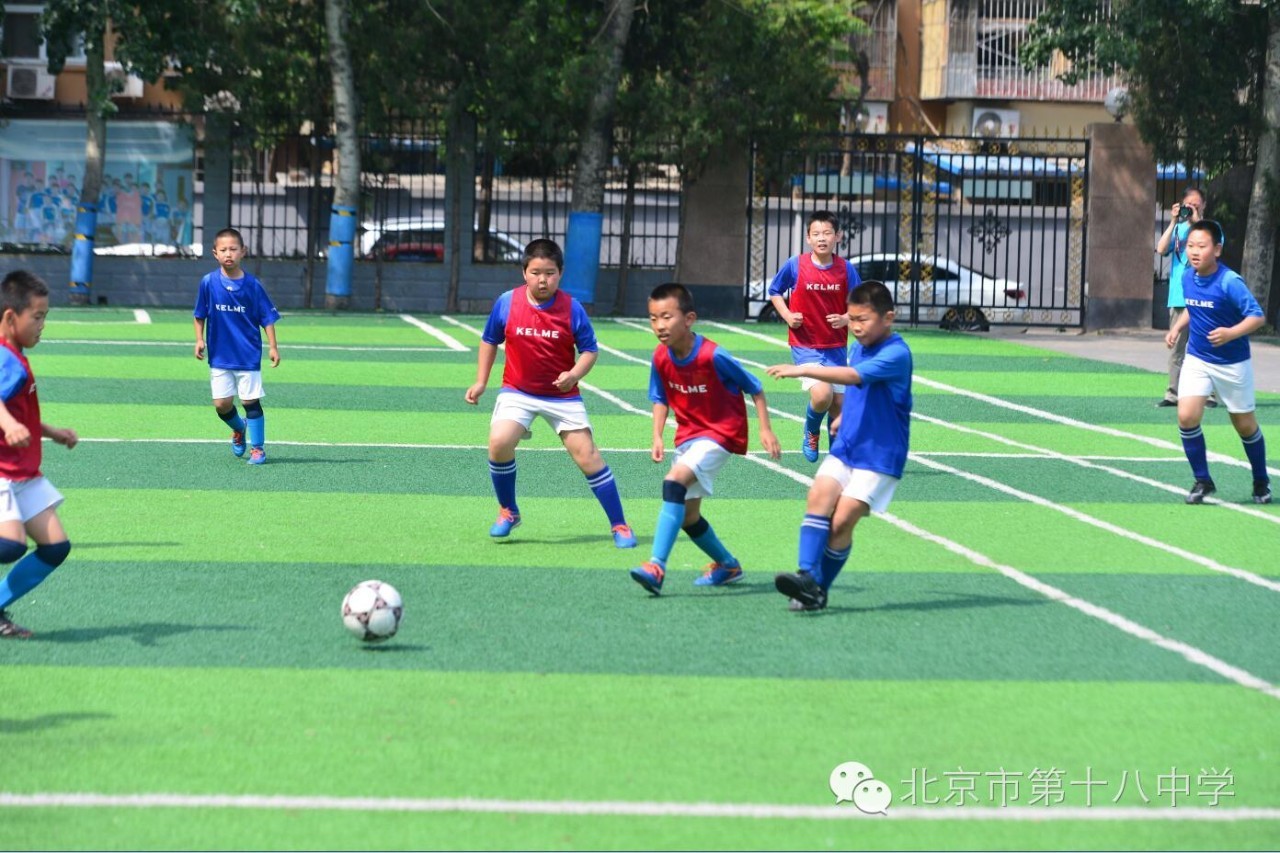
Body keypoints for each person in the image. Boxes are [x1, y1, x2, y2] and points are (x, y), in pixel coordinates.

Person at [464, 238, 636, 548]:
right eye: (536, 273)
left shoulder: (572, 308)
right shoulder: (507, 302)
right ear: (524, 273)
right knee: (499, 442)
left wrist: (574, 374)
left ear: (561, 273)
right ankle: (508, 511)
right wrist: (481, 381)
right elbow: (490, 340)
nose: (542, 280)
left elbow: (590, 350)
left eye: (550, 273)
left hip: (562, 397)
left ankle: (620, 525)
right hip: (518, 391)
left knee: (588, 457)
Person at [766, 280, 912, 611]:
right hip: (849, 443)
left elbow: (854, 377)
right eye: (852, 319)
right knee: (819, 494)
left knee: (843, 519)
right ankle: (806, 575)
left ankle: (817, 588)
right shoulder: (861, 346)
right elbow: (862, 389)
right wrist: (846, 417)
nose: (856, 327)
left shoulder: (896, 353)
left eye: (863, 320)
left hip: (880, 454)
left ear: (888, 318)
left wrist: (803, 369)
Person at [629, 283, 781, 595]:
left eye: (667, 317)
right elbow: (660, 398)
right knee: (688, 516)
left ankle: (656, 566)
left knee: (673, 483)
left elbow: (755, 387)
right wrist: (657, 435)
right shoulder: (660, 357)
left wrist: (765, 429)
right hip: (688, 437)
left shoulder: (714, 355)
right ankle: (728, 565)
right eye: (653, 318)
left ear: (689, 319)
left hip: (720, 434)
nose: (659, 325)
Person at [1164, 220, 1271, 505]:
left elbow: (1257, 316)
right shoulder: (1188, 277)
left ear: (1217, 249)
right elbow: (1192, 307)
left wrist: (1231, 333)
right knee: (1186, 416)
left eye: (1202, 246)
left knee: (1244, 425)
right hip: (1197, 358)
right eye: (1190, 246)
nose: (1194, 251)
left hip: (1232, 363)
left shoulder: (1229, 282)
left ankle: (1261, 480)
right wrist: (1177, 328)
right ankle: (1203, 480)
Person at [0, 271, 78, 638]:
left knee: (54, 547)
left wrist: (52, 432)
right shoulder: (6, 359)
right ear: (10, 316)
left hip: (23, 473)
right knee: (10, 545)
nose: (42, 325)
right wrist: (7, 424)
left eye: (45, 316)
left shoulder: (15, 356)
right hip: (3, 471)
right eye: (37, 316)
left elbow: (19, 413)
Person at [766, 209, 861, 462]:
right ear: (808, 238)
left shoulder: (845, 269)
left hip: (835, 346)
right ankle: (811, 429)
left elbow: (860, 303)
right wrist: (787, 315)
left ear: (838, 236)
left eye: (827, 233)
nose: (822, 238)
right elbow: (775, 291)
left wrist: (846, 318)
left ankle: (836, 456)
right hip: (805, 344)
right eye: (816, 233)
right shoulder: (795, 265)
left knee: (839, 404)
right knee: (822, 395)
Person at [193, 227, 280, 465]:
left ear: (243, 251)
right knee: (222, 405)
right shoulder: (208, 283)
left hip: (247, 355)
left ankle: (258, 449)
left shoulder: (253, 285)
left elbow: (267, 318)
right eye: (223, 250)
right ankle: (239, 428)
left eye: (233, 249)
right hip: (220, 355)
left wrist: (273, 347)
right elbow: (199, 314)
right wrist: (199, 339)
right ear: (215, 253)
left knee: (251, 402)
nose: (228, 254)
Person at [1156, 187, 1217, 409]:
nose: (1191, 208)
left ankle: (1209, 395)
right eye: (1188, 205)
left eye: (1196, 205)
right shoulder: (1179, 229)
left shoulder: (1211, 229)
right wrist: (1173, 221)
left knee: (1205, 346)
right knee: (1176, 348)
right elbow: (1161, 249)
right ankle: (1173, 393)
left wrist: (1197, 222)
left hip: (1204, 297)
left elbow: (1215, 251)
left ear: (1204, 206)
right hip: (1179, 297)